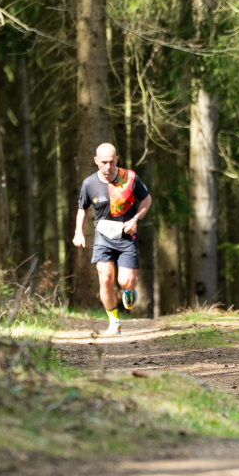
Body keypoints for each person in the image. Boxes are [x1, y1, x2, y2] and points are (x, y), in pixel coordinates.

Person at [72, 143, 152, 336]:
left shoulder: (130, 178)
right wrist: (78, 232)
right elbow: (82, 209)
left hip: (127, 236)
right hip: (103, 237)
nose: (108, 167)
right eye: (103, 162)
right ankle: (114, 322)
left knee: (125, 281)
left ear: (116, 159)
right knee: (105, 278)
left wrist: (135, 219)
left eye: (111, 162)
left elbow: (147, 199)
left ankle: (129, 289)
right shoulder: (89, 184)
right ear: (96, 161)